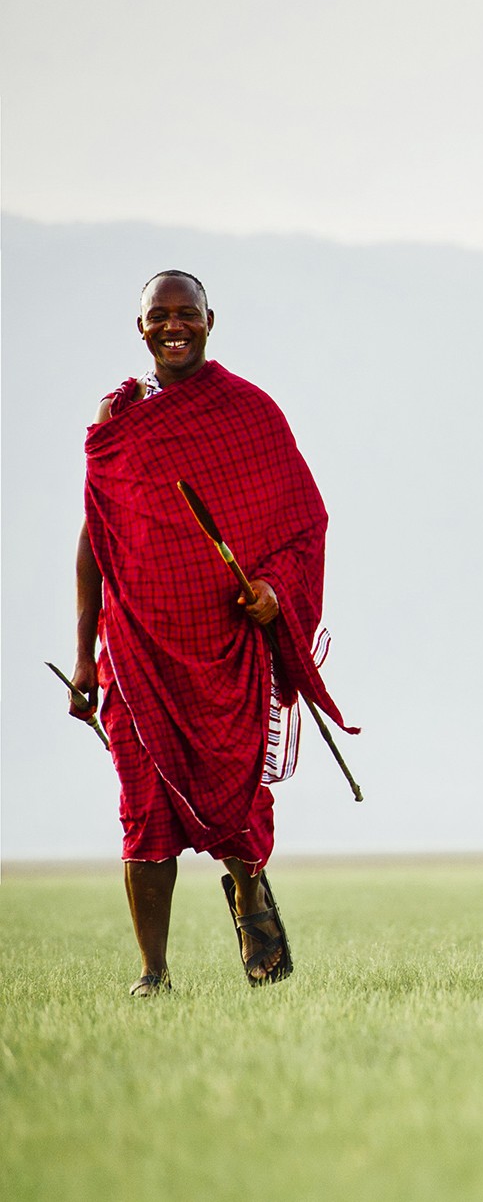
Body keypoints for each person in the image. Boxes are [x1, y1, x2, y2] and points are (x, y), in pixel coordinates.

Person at [68, 270, 356, 996]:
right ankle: (153, 973)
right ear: (141, 328)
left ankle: (251, 894)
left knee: (235, 802)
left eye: (186, 314)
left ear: (210, 320)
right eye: (159, 316)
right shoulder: (118, 418)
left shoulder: (250, 414)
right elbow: (95, 537)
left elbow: (302, 525)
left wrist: (272, 592)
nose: (174, 326)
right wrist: (83, 657)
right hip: (135, 652)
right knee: (144, 813)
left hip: (226, 654)